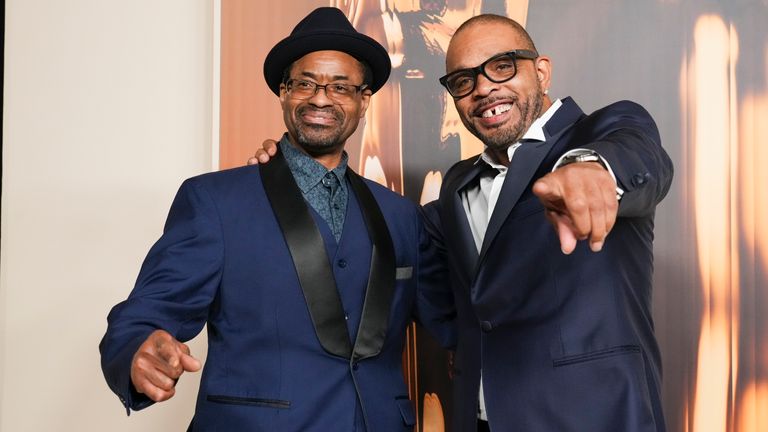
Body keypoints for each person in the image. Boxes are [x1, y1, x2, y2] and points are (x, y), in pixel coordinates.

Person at [251, 13, 673, 432]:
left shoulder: (602, 132)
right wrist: (296, 167)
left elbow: (639, 157)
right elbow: (398, 241)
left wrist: (592, 170)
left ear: (542, 71)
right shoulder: (458, 184)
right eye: (463, 81)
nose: (485, 88)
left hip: (592, 417)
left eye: (503, 66)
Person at [99, 7, 455, 432]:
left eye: (340, 87)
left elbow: (459, 320)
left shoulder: (401, 216)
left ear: (364, 101)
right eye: (305, 83)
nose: (320, 98)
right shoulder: (214, 201)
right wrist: (138, 347)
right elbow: (147, 311)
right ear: (284, 93)